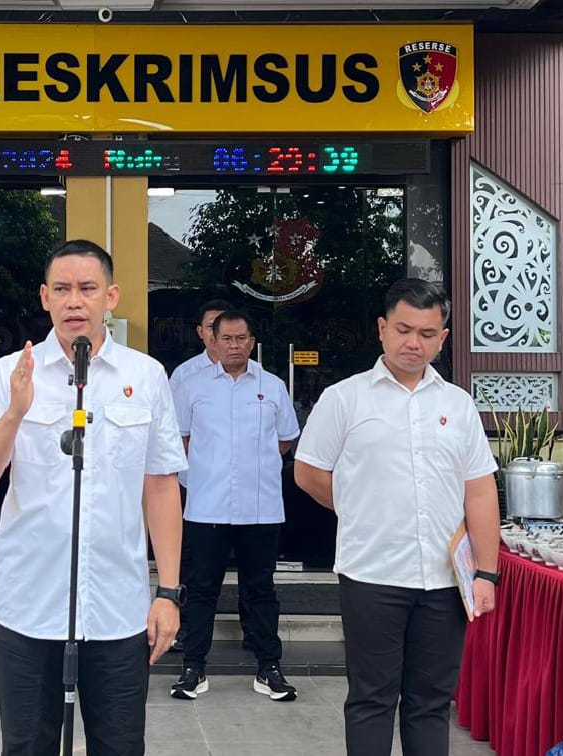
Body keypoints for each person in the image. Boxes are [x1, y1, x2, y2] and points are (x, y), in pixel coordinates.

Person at [0, 239, 186, 756]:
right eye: (61, 289)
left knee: (121, 746)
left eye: (87, 288)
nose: (74, 301)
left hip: (117, 606)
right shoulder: (9, 374)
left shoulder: (145, 375)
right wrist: (14, 413)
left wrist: (169, 592)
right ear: (45, 297)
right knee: (27, 746)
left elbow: (160, 485)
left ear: (111, 296)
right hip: (28, 604)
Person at [294, 278, 500, 756]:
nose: (414, 343)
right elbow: (308, 473)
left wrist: (486, 573)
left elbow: (479, 490)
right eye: (404, 330)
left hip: (445, 582)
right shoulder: (345, 398)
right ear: (382, 329)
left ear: (442, 338)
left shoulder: (457, 404)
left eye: (427, 334)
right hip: (372, 575)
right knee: (372, 699)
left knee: (431, 703)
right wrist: (359, 507)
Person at [170, 310, 300, 702]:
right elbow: (181, 439)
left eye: (241, 338)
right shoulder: (192, 386)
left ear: (252, 342)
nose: (233, 345)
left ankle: (269, 667)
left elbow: (285, 439)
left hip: (260, 507)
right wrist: (209, 470)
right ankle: (193, 667)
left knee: (260, 590)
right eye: (226, 338)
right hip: (206, 506)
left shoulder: (272, 386)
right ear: (212, 339)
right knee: (201, 588)